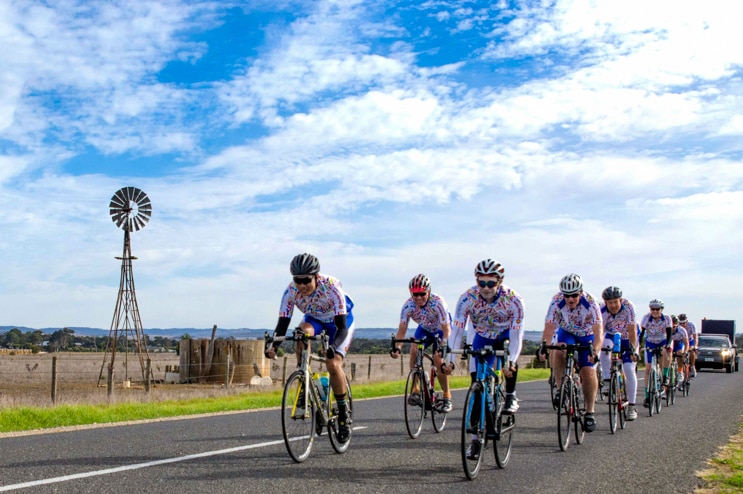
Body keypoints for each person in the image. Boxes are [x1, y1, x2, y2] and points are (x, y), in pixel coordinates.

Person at [265, 253, 355, 442]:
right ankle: (304, 380)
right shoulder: (290, 292)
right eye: (298, 281)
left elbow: (342, 328)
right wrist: (273, 345)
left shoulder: (331, 287)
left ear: (316, 276)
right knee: (300, 332)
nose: (302, 285)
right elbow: (282, 324)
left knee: (333, 364)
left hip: (338, 323)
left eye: (306, 280)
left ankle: (342, 413)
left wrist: (333, 346)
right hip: (314, 320)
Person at [449, 259, 525, 460]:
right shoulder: (467, 298)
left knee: (509, 360)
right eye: (481, 283)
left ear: (499, 282)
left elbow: (517, 337)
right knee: (476, 384)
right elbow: (457, 329)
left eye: (490, 283)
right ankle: (475, 440)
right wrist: (450, 359)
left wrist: (511, 361)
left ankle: (510, 394)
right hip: (482, 336)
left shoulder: (514, 300)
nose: (486, 288)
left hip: (506, 336)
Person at [538, 273, 603, 433]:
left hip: (587, 335)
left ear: (581, 292)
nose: (570, 299)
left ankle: (590, 412)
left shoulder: (591, 302)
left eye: (574, 295)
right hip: (567, 332)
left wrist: (595, 350)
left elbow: (598, 330)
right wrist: (544, 346)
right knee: (559, 349)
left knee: (588, 372)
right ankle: (561, 389)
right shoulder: (556, 301)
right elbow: (549, 326)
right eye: (567, 295)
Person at [391, 274, 454, 413]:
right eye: (415, 294)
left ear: (429, 291)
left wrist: (443, 345)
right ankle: (416, 389)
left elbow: (447, 330)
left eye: (422, 294)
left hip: (441, 330)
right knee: (414, 349)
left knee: (438, 360)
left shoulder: (439, 303)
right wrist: (397, 348)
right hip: (424, 329)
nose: (418, 298)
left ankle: (447, 395)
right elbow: (402, 330)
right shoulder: (408, 306)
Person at [598, 286, 640, 421]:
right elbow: (600, 332)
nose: (613, 305)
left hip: (629, 337)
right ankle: (607, 379)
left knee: (628, 369)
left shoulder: (629, 307)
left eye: (616, 302)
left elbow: (633, 330)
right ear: (605, 303)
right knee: (604, 346)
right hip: (611, 336)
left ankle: (631, 407)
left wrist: (633, 349)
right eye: (610, 303)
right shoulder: (602, 310)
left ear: (620, 300)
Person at [639, 299, 673, 408]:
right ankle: (647, 396)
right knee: (648, 369)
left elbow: (669, 335)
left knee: (665, 352)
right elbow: (642, 333)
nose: (654, 311)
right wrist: (639, 345)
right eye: (652, 309)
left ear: (661, 309)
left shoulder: (667, 318)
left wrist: (667, 345)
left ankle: (665, 374)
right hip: (650, 341)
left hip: (663, 340)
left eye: (657, 309)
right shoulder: (646, 318)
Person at [670, 315, 689, 387]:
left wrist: (686, 352)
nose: (672, 328)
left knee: (680, 353)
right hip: (670, 343)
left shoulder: (682, 330)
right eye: (671, 326)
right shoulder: (665, 329)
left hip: (679, 343)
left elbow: (686, 343)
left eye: (674, 327)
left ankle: (680, 371)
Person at [678, 314, 698, 378]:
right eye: (680, 323)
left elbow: (695, 337)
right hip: (681, 341)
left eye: (684, 323)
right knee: (679, 353)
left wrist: (695, 345)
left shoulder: (691, 325)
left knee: (692, 351)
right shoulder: (677, 326)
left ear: (687, 321)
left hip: (690, 340)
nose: (682, 325)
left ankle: (692, 366)